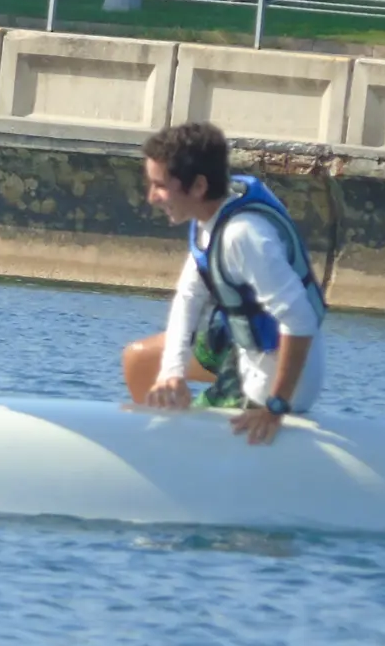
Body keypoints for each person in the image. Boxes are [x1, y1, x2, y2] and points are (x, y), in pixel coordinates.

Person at [119, 121, 327, 444]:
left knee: (189, 431)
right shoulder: (213, 213)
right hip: (239, 343)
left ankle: (161, 447)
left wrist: (275, 407)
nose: (151, 197)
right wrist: (172, 373)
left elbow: (300, 319)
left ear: (198, 186)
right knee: (140, 360)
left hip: (275, 384)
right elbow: (188, 299)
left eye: (160, 185)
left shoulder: (243, 236)